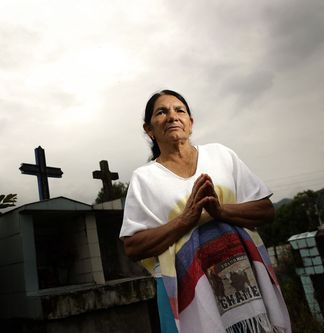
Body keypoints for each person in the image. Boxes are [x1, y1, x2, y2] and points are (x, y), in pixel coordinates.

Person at [120, 90, 291, 333]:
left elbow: (265, 210)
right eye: (162, 112)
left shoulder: (221, 155)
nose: (172, 116)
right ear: (149, 129)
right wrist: (185, 220)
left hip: (245, 278)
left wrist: (221, 211)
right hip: (184, 290)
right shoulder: (144, 178)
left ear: (191, 123)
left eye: (179, 110)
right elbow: (133, 247)